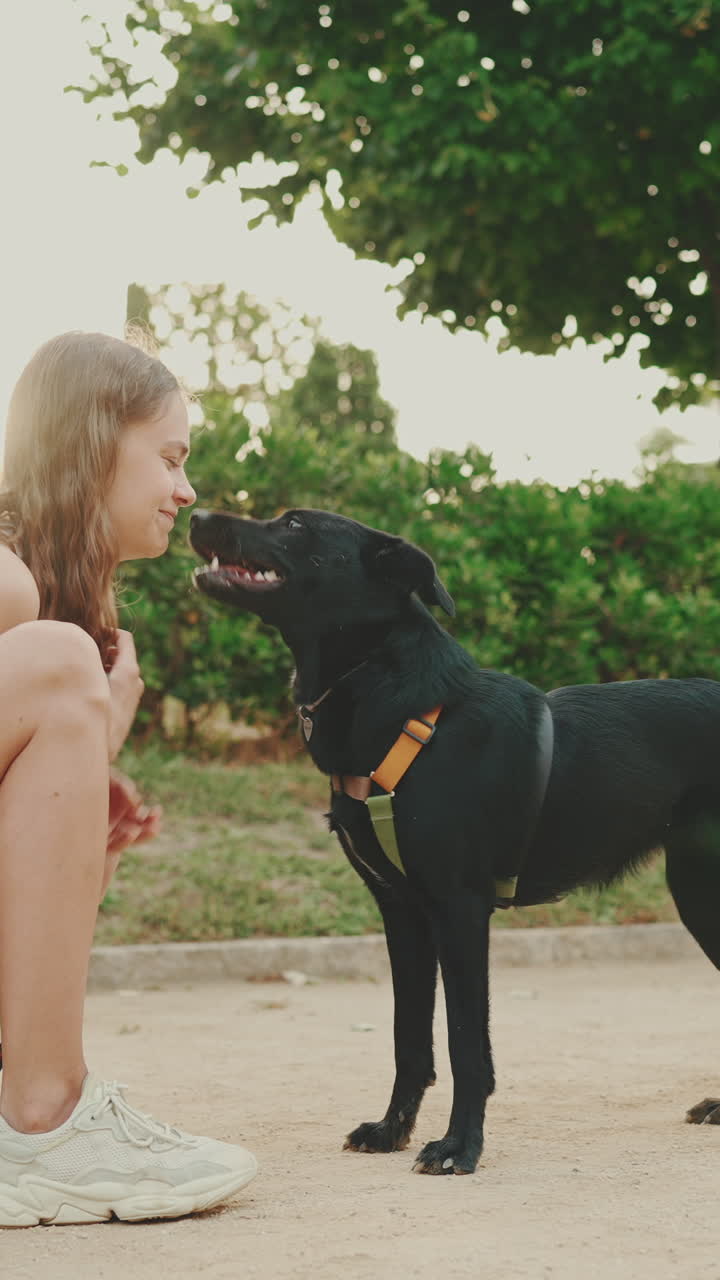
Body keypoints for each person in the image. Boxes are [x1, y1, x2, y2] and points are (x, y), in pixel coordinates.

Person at [0, 331, 258, 1227]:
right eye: (171, 457)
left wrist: (85, 767)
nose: (186, 492)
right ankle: (46, 1120)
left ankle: (35, 1113)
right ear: (92, 440)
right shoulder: (10, 592)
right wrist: (85, 707)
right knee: (54, 657)